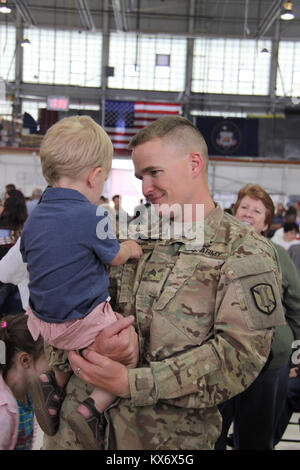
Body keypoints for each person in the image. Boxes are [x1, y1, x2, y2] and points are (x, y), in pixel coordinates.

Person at [42, 115, 285, 451]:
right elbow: (55, 302)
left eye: (154, 172)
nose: (145, 187)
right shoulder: (122, 233)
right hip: (71, 435)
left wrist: (133, 383)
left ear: (194, 164)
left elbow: (240, 358)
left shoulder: (243, 249)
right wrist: (87, 349)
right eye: (141, 176)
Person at [19, 115, 142, 449]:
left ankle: (52, 380)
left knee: (73, 332)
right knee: (126, 343)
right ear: (94, 176)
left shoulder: (35, 218)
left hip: (42, 321)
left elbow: (30, 256)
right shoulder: (95, 215)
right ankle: (92, 407)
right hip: (79, 323)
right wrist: (130, 248)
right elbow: (113, 255)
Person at [215, 184, 300, 450]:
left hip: (269, 363)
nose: (249, 214)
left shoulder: (279, 255)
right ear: (234, 212)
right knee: (211, 435)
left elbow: (296, 305)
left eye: (257, 210)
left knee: (256, 440)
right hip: (218, 359)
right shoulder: (215, 251)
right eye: (244, 207)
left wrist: (290, 347)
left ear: (266, 223)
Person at [0, 313, 50, 450]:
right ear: (25, 360)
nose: (54, 362)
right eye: (49, 355)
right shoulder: (3, 414)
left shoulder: (27, 393)